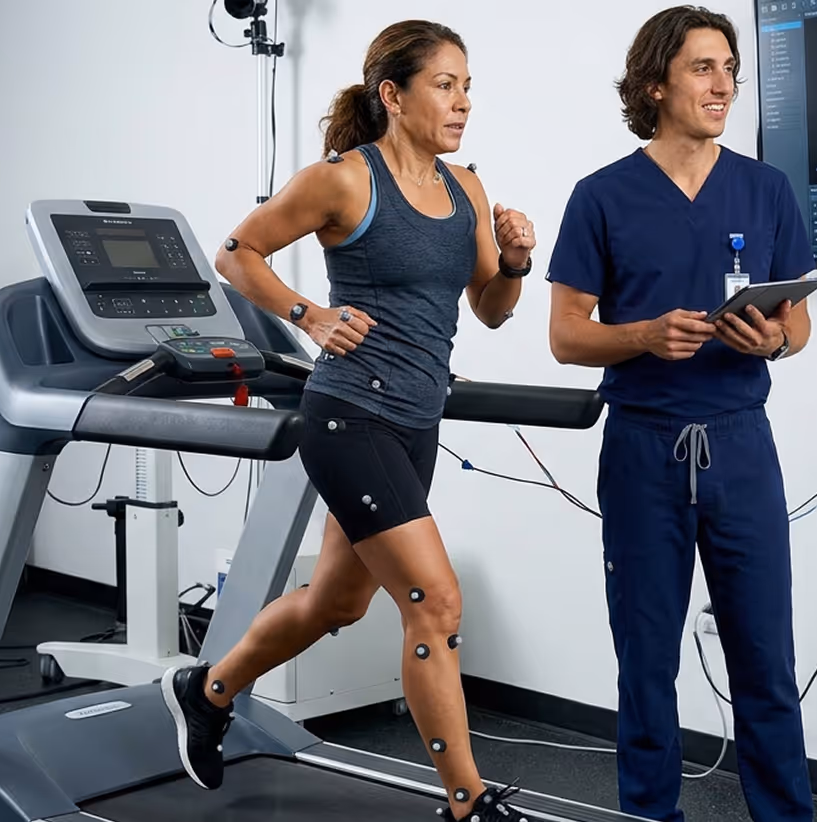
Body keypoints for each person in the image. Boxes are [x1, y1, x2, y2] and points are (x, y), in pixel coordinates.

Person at [159, 19, 537, 822]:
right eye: (446, 84)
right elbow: (236, 251)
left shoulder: (465, 187)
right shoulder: (344, 181)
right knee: (435, 603)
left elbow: (493, 312)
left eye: (468, 85)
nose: (463, 101)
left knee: (337, 603)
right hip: (349, 413)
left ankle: (207, 687)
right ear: (393, 95)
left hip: (415, 419)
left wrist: (514, 263)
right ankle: (467, 802)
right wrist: (310, 314)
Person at [546, 6, 816, 822]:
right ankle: (650, 815)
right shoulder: (601, 197)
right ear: (656, 82)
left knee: (765, 660)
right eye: (704, 66)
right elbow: (566, 336)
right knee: (646, 661)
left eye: (729, 66)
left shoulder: (765, 189)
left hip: (742, 448)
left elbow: (800, 325)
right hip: (643, 450)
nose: (725, 82)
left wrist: (770, 338)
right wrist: (644, 336)